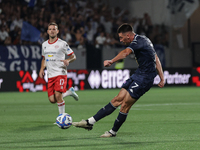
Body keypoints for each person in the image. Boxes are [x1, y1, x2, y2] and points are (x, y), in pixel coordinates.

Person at [72, 23, 165, 137]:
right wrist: (162, 77)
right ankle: (89, 122)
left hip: (145, 78)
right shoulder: (143, 39)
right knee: (117, 99)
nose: (120, 40)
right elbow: (155, 57)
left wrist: (111, 61)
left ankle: (113, 132)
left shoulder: (137, 42)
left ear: (128, 36)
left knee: (125, 104)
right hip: (139, 74)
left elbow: (126, 53)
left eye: (121, 37)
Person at [39, 22, 79, 120]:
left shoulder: (62, 44)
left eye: (54, 29)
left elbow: (73, 56)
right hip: (50, 75)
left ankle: (62, 118)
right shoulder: (44, 45)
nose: (52, 31)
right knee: (52, 100)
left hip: (60, 73)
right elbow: (44, 58)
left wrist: (68, 60)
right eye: (50, 29)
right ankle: (69, 92)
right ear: (47, 31)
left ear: (57, 31)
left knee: (58, 95)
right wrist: (41, 69)